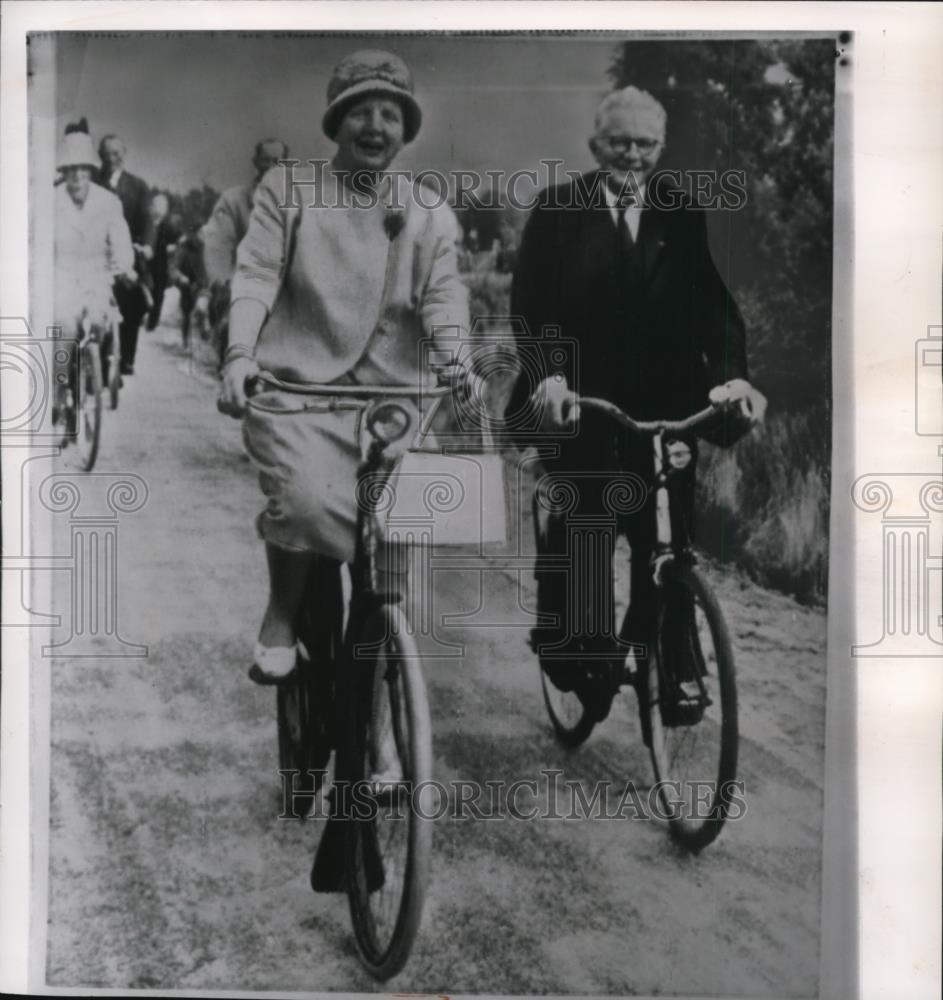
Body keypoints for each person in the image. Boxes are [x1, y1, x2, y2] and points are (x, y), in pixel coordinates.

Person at [508, 86, 767, 720]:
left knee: (671, 542)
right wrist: (548, 378)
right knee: (587, 530)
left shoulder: (680, 212)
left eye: (645, 144)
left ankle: (670, 662)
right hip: (583, 404)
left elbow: (714, 307)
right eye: (620, 142)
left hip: (663, 411)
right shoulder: (557, 210)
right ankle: (576, 647)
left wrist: (733, 378)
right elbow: (530, 311)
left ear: (660, 148)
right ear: (596, 145)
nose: (633, 155)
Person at [217, 50, 468, 684]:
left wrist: (458, 359)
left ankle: (387, 726)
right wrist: (241, 353)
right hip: (299, 397)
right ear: (336, 123)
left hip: (393, 405)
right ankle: (282, 611)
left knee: (406, 536)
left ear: (406, 130)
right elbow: (254, 274)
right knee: (302, 501)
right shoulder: (289, 190)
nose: (376, 126)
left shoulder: (429, 210)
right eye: (361, 111)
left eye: (391, 113)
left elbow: (443, 296)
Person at [53, 123, 135, 417]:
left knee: (99, 322)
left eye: (82, 169)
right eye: (70, 169)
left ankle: (92, 372)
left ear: (91, 170)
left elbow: (121, 242)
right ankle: (60, 390)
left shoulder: (108, 202)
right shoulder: (50, 202)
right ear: (62, 171)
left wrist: (124, 267)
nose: (76, 176)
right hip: (60, 276)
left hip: (95, 277)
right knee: (64, 325)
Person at [198, 138, 289, 363]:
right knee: (235, 346)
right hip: (243, 288)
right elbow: (218, 245)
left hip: (285, 295)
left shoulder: (299, 203)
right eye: (265, 160)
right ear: (255, 162)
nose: (271, 166)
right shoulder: (233, 200)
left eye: (277, 161)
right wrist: (224, 280)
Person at [96, 133, 152, 374]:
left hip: (127, 252)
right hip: (96, 252)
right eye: (106, 153)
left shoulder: (137, 186)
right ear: (100, 155)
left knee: (132, 302)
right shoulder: (93, 181)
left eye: (116, 153)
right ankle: (97, 357)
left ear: (124, 155)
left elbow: (148, 221)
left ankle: (127, 357)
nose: (111, 159)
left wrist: (147, 245)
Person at [144, 192, 179, 330]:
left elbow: (178, 240)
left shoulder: (168, 226)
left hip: (160, 264)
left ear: (165, 210)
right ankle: (141, 315)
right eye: (156, 205)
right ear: (151, 207)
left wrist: (173, 247)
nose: (158, 209)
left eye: (162, 206)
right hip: (144, 262)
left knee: (158, 294)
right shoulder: (145, 223)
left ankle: (152, 322)